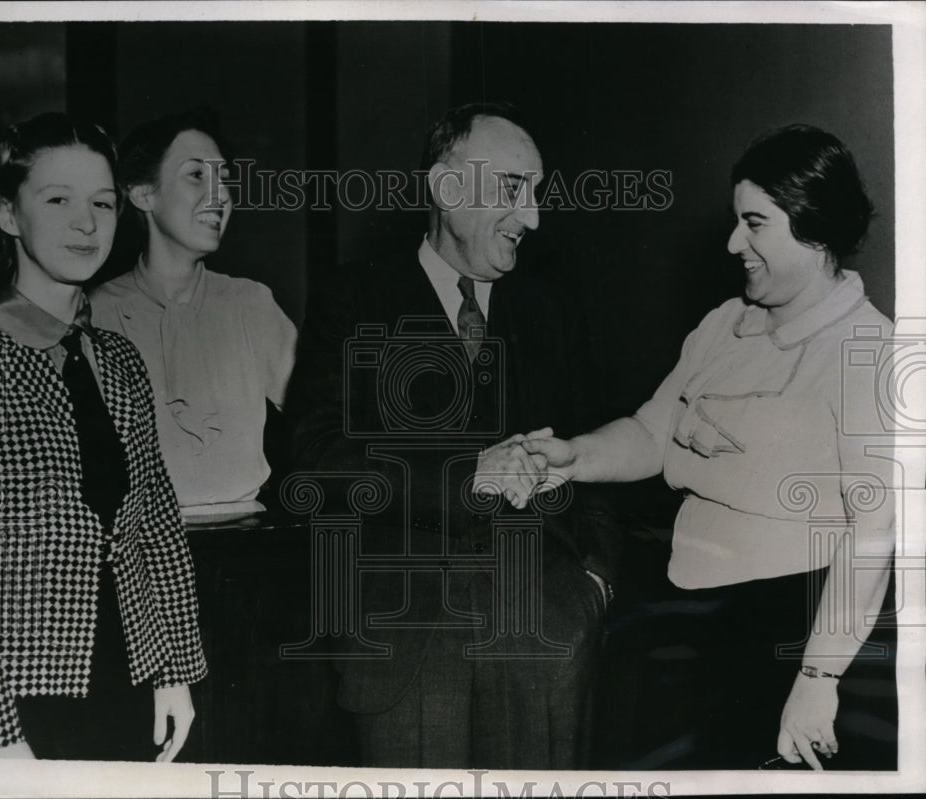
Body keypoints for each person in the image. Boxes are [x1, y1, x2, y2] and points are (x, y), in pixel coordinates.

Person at [521, 125, 895, 770]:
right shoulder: (724, 324)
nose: (732, 243)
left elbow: (876, 528)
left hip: (788, 627)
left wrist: (819, 679)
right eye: (734, 220)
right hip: (686, 607)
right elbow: (650, 432)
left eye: (755, 223)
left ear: (817, 226)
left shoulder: (870, 351)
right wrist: (574, 456)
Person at [287, 102, 621, 769]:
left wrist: (595, 583)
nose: (532, 218)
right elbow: (311, 457)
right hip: (405, 638)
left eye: (536, 194)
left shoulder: (553, 311)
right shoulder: (354, 297)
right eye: (512, 189)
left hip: (542, 636)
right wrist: (465, 479)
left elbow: (596, 457)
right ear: (446, 188)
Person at [0, 113, 207, 761]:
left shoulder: (118, 360)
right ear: (8, 214)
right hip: (15, 692)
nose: (87, 223)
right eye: (57, 200)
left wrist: (173, 668)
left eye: (101, 202)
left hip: (127, 671)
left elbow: (156, 523)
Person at [90, 108, 297, 519]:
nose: (220, 195)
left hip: (247, 545)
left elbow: (325, 418)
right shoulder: (95, 314)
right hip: (136, 549)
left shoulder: (251, 305)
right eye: (197, 175)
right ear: (142, 193)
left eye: (224, 179)